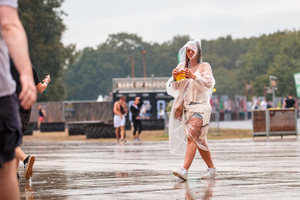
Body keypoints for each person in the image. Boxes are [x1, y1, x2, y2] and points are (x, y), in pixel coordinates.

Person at [0, 1, 37, 199]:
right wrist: (27, 74)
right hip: (7, 98)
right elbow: (9, 24)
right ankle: (24, 159)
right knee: (5, 167)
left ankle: (22, 160)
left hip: (13, 102)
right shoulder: (21, 64)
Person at [166, 39, 217, 181]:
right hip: (186, 108)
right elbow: (175, 89)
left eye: (192, 50)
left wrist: (194, 76)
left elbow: (209, 85)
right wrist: (175, 78)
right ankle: (211, 168)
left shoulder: (204, 66)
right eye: (188, 50)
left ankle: (184, 169)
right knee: (199, 139)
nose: (189, 53)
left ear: (198, 52)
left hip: (200, 107)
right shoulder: (181, 66)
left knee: (192, 137)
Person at [11, 58, 51, 180]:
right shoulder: (29, 67)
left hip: (10, 108)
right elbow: (40, 89)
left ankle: (26, 159)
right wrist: (47, 82)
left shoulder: (5, 65)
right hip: (25, 110)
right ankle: (14, 175)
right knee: (15, 141)